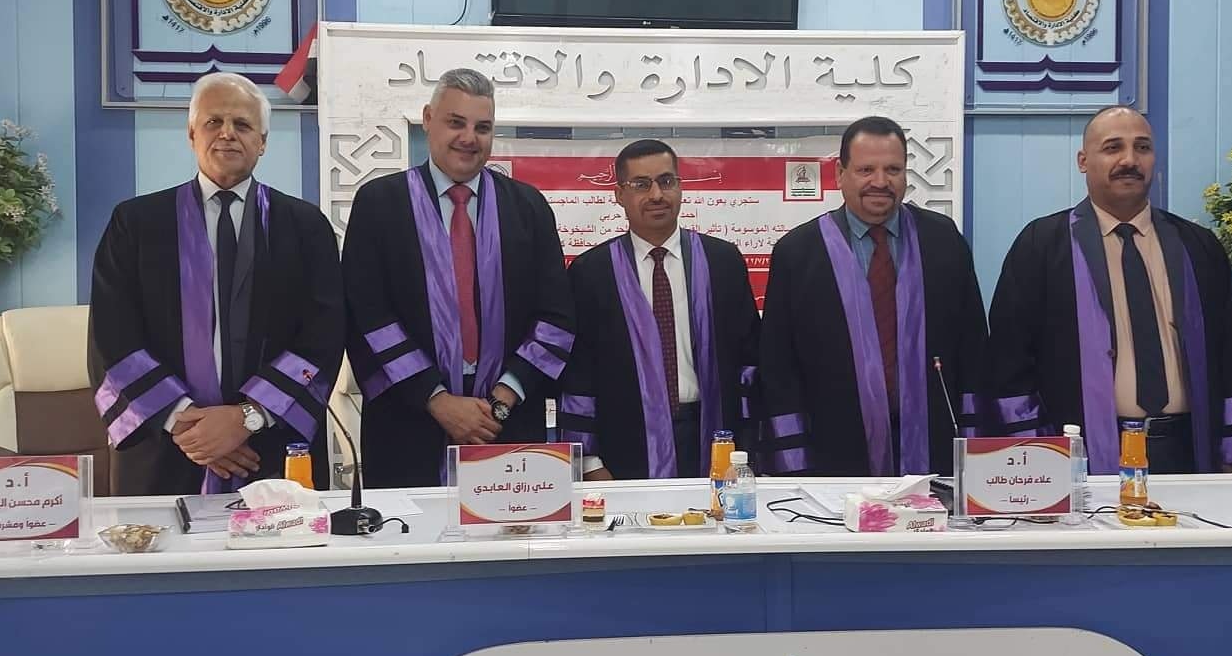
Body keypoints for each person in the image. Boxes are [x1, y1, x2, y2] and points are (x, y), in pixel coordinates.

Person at [88, 73, 345, 496]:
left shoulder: (305, 227)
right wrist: (189, 426)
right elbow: (111, 335)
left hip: (271, 447)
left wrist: (247, 417)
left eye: (242, 124)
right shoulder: (135, 225)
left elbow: (324, 335)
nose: (227, 133)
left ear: (262, 141)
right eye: (214, 122)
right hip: (166, 450)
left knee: (280, 539)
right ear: (192, 134)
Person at [987, 105, 1232, 475]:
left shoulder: (1197, 246)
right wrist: (1035, 453)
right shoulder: (1041, 246)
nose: (1129, 160)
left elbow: (1231, 352)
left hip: (1187, 449)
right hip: (1080, 454)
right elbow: (1008, 362)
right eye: (1112, 148)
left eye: (1142, 147)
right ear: (1083, 161)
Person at [342, 68, 574, 489]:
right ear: (428, 119)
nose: (469, 138)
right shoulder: (380, 204)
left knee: (510, 529)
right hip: (407, 418)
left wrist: (502, 400)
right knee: (409, 531)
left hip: (507, 420)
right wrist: (437, 400)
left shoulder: (528, 207)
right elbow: (367, 315)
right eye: (456, 123)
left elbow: (556, 316)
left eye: (482, 127)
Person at [758, 116, 989, 477]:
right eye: (866, 169)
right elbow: (779, 368)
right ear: (840, 173)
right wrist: (793, 462)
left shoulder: (943, 241)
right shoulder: (798, 253)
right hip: (833, 452)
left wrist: (974, 445)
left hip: (935, 445)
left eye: (892, 169)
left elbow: (973, 348)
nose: (880, 182)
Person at [559, 140, 760, 481]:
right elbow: (579, 375)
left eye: (666, 181)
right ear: (619, 194)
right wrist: (590, 463)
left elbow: (750, 361)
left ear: (680, 187)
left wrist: (749, 450)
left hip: (714, 439)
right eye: (641, 184)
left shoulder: (722, 262)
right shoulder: (591, 273)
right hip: (625, 447)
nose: (656, 195)